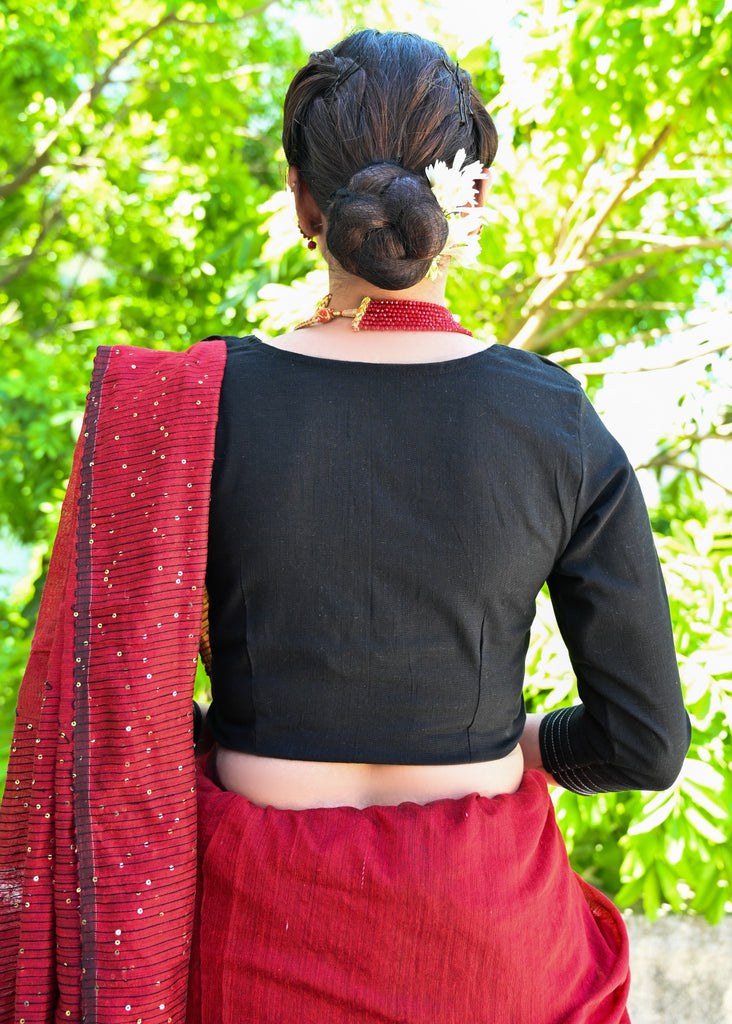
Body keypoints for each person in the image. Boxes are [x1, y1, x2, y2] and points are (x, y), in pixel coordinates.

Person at [0, 28, 689, 1024]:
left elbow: (106, 716)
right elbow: (643, 745)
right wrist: (520, 741)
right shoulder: (558, 421)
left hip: (258, 929)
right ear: (473, 201)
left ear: (302, 202)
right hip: (487, 941)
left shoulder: (195, 403)